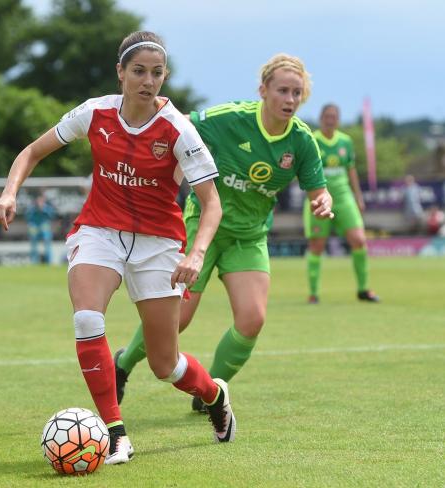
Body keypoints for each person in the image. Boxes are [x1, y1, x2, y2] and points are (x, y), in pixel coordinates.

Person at [0, 31, 235, 465]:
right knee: (87, 318)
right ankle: (116, 433)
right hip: (98, 231)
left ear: (165, 77)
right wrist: (10, 193)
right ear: (120, 73)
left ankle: (215, 396)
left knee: (166, 365)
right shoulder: (95, 112)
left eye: (157, 73)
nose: (148, 80)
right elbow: (31, 152)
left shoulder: (178, 129)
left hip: (158, 244)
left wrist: (195, 254)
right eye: (138, 71)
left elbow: (212, 202)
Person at [114, 54, 334, 413]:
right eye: (282, 90)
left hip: (248, 237)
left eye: (297, 93)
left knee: (252, 320)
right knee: (178, 320)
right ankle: (123, 364)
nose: (290, 99)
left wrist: (323, 201)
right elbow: (180, 124)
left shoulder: (301, 141)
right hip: (202, 226)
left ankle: (210, 392)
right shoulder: (229, 118)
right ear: (263, 90)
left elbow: (317, 189)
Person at [304, 104, 379, 303]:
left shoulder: (345, 141)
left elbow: (351, 170)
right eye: (327, 116)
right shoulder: (311, 139)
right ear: (321, 118)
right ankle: (313, 293)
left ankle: (363, 289)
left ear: (338, 119)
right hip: (319, 198)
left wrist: (358, 197)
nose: (330, 120)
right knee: (317, 246)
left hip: (344, 197)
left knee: (359, 240)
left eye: (334, 116)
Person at [25, 193, 56, 263]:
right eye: (39, 201)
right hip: (35, 226)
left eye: (41, 201)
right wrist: (36, 210)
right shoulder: (32, 208)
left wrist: (43, 209)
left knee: (47, 241)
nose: (40, 202)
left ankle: (49, 261)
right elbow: (27, 217)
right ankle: (34, 261)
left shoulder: (47, 208)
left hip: (44, 226)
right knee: (33, 243)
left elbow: (52, 216)